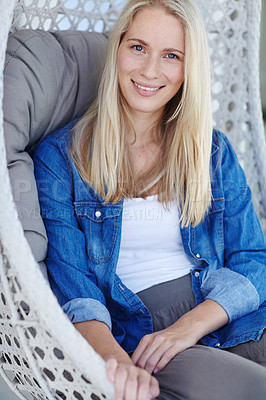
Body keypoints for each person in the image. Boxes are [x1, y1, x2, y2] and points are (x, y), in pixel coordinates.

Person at [33, 0, 266, 399]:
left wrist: (189, 326)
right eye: (138, 47)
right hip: (141, 333)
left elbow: (255, 258)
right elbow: (76, 291)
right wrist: (117, 365)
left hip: (221, 312)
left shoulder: (210, 151)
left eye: (171, 56)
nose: (149, 71)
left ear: (188, 68)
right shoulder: (62, 158)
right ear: (118, 48)